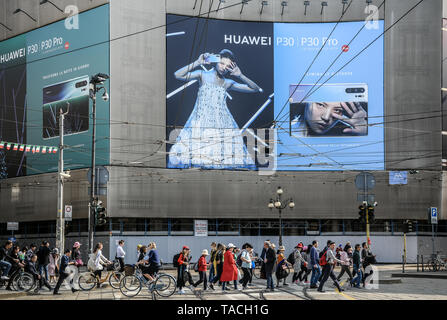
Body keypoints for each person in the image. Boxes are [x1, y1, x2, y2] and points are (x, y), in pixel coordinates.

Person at [168, 50, 262, 170]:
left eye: (228, 66)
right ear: (216, 61)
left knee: (224, 158)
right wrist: (197, 62)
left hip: (222, 123)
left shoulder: (228, 83)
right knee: (198, 156)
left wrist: (240, 76)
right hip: (201, 121)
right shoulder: (202, 74)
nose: (224, 68)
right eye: (222, 63)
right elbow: (177, 75)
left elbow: (255, 89)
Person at [290, 101, 367, 137]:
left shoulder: (347, 135)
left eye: (337, 110)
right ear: (306, 102)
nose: (326, 117)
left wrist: (364, 135)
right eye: (320, 105)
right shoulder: (285, 132)